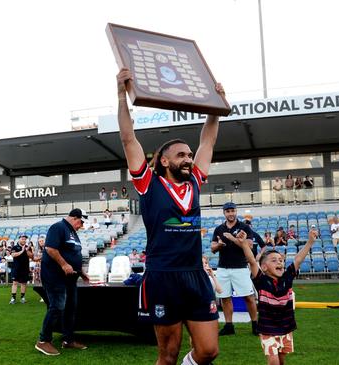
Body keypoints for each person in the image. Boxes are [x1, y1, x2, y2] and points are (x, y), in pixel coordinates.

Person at [116, 67, 223, 365]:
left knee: (208, 351)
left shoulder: (195, 182)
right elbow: (127, 138)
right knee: (168, 355)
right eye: (181, 156)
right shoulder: (149, 183)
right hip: (163, 276)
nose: (188, 159)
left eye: (189, 155)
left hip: (195, 274)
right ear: (164, 161)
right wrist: (121, 95)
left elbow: (208, 142)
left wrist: (214, 110)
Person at [233, 229, 318, 365]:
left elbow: (298, 259)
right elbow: (252, 262)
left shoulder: (287, 278)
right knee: (273, 361)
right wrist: (243, 244)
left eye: (280, 260)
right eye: (274, 260)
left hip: (286, 326)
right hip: (267, 328)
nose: (279, 263)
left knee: (281, 360)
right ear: (264, 267)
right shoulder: (261, 280)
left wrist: (310, 242)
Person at [35, 209, 90, 356]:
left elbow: (74, 254)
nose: (81, 226)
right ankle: (43, 341)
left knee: (70, 308)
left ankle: (68, 340)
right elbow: (51, 248)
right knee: (57, 306)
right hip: (55, 276)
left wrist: (81, 272)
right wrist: (64, 264)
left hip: (70, 278)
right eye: (81, 222)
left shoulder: (72, 232)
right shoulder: (58, 227)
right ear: (74, 217)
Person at [211, 202, 258, 336]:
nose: (230, 213)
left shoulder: (244, 227)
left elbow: (249, 246)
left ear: (236, 211)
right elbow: (213, 248)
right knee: (225, 298)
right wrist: (219, 245)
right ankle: (229, 326)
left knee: (249, 297)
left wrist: (233, 238)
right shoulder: (219, 228)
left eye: (233, 211)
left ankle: (255, 324)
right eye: (228, 211)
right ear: (224, 213)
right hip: (223, 268)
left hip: (240, 267)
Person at [10, 234, 33, 304]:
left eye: (25, 239)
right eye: (22, 238)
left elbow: (32, 256)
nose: (24, 240)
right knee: (15, 283)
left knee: (24, 283)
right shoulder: (15, 247)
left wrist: (27, 251)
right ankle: (13, 298)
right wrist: (22, 251)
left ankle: (22, 298)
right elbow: (13, 255)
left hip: (25, 268)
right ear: (19, 239)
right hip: (16, 268)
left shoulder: (28, 247)